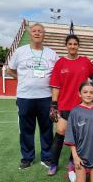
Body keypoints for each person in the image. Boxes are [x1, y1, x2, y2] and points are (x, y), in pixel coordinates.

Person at [7, 23, 59, 170]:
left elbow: (58, 73)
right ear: (30, 33)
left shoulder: (52, 54)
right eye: (34, 31)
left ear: (44, 35)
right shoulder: (20, 52)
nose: (37, 33)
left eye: (40, 31)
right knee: (26, 129)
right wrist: (22, 79)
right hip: (25, 97)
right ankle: (27, 158)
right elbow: (10, 70)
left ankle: (47, 157)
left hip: (46, 97)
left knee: (46, 128)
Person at [47, 34, 93, 176]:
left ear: (78, 46)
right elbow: (55, 86)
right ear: (66, 46)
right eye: (70, 44)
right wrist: (54, 104)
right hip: (64, 105)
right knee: (60, 133)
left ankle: (72, 161)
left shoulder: (85, 62)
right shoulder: (60, 63)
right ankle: (54, 163)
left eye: (75, 44)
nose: (73, 46)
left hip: (82, 106)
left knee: (78, 135)